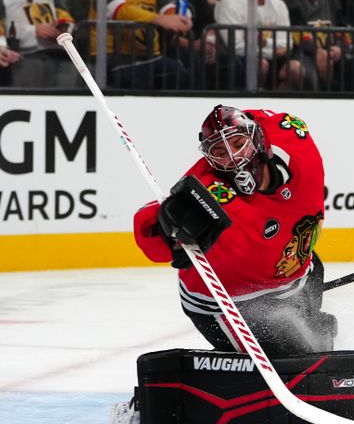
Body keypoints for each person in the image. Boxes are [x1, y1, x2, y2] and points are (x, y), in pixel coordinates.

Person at [133, 105, 336, 356]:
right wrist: (166, 225)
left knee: (314, 349)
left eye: (239, 142)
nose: (232, 157)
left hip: (301, 276)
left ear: (259, 138)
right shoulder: (208, 192)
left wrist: (232, 119)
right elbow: (148, 229)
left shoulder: (294, 139)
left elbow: (262, 117)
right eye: (218, 151)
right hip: (227, 305)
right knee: (296, 356)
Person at [87, 0, 190, 89]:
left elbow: (168, 8)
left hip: (148, 57)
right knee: (143, 77)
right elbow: (118, 10)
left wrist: (178, 19)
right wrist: (159, 19)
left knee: (182, 73)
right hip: (110, 57)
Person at [214, 0, 301, 89]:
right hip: (237, 60)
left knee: (295, 68)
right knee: (260, 64)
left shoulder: (279, 5)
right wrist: (272, 50)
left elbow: (287, 44)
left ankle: (281, 105)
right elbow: (235, 47)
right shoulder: (230, 2)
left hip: (271, 58)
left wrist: (265, 43)